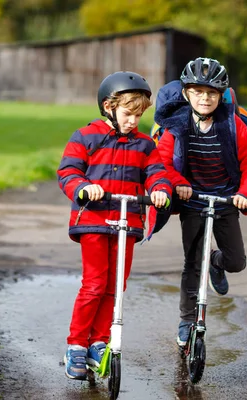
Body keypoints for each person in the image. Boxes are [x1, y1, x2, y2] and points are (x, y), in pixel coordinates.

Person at [151, 57, 247, 348]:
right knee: (192, 265)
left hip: (225, 199)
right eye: (197, 91)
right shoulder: (176, 125)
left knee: (237, 262)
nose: (205, 98)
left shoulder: (232, 124)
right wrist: (179, 184)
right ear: (186, 94)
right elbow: (162, 162)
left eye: (211, 93)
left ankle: (216, 263)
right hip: (192, 200)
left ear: (221, 96)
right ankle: (187, 321)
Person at [57, 71, 172, 380]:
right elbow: (68, 170)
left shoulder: (145, 145)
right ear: (108, 106)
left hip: (128, 222)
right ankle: (77, 345)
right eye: (128, 113)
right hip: (94, 220)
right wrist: (82, 187)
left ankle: (98, 341)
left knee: (115, 287)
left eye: (139, 115)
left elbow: (156, 172)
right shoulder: (86, 136)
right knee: (94, 284)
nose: (134, 120)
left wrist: (160, 190)